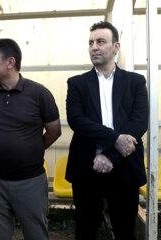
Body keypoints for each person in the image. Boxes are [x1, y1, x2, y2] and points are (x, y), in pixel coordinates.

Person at [66, 21, 148, 240]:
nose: (94, 47)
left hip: (124, 165)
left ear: (116, 47)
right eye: (91, 42)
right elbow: (76, 120)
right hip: (87, 166)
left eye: (101, 41)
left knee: (125, 230)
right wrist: (116, 139)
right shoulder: (77, 83)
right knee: (85, 229)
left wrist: (110, 156)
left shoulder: (136, 82)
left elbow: (140, 122)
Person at [0, 38, 61, 240]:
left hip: (30, 181)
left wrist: (31, 150)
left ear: (10, 62)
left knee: (36, 233)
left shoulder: (39, 93)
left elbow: (54, 130)